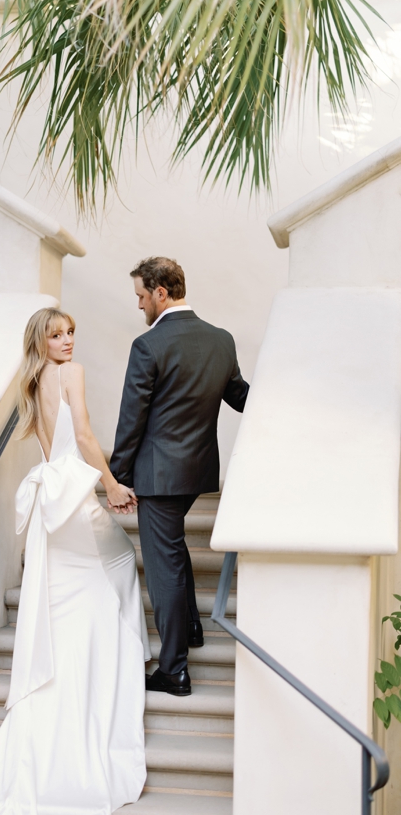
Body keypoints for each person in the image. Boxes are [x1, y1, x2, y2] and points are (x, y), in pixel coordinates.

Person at [0, 308, 147, 815]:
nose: (66, 342)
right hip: (75, 493)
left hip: (48, 494)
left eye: (71, 333)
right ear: (40, 339)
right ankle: (112, 658)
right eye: (56, 335)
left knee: (82, 578)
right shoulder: (70, 374)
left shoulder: (31, 380)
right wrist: (110, 482)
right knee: (121, 562)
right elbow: (81, 433)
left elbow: (48, 443)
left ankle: (81, 657)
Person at [110, 256, 250, 699]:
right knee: (173, 549)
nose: (139, 306)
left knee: (163, 564)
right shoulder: (221, 340)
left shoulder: (148, 345)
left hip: (158, 475)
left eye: (140, 296)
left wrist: (116, 478)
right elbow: (242, 397)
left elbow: (132, 419)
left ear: (160, 293)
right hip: (198, 471)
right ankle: (190, 627)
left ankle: (173, 670)